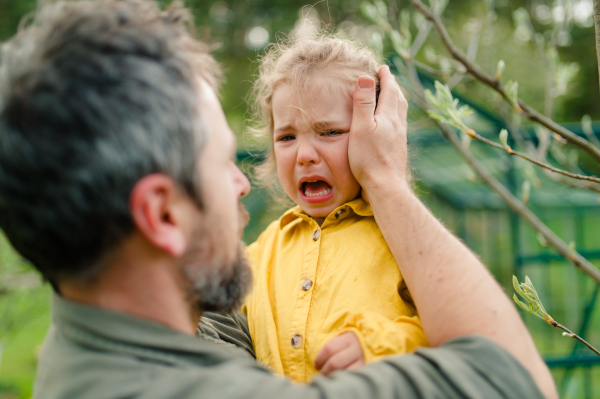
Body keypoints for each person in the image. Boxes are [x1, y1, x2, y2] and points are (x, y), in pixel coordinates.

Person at [0, 1, 557, 398]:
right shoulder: (259, 264)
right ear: (162, 215)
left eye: (330, 133)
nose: (243, 181)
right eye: (223, 161)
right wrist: (387, 176)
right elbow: (515, 379)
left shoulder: (79, 347)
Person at [238, 36, 428, 382]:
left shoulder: (403, 236)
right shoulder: (261, 253)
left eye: (329, 132)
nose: (304, 154)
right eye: (286, 137)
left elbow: (450, 334)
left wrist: (379, 345)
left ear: (374, 135)